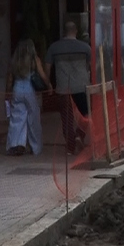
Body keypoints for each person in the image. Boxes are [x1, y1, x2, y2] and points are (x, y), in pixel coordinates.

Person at [45, 22, 92, 155]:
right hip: (81, 87)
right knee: (86, 114)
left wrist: (49, 84)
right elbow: (88, 67)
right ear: (76, 31)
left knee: (67, 118)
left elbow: (47, 67)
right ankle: (79, 135)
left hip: (63, 88)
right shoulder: (85, 48)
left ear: (63, 31)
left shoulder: (54, 48)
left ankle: (70, 148)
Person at [5, 39, 48, 156]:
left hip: (17, 90)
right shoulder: (34, 60)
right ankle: (35, 148)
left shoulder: (14, 61)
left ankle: (15, 145)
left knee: (17, 119)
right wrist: (49, 85)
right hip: (30, 91)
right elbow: (42, 75)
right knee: (33, 119)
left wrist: (7, 93)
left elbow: (9, 80)